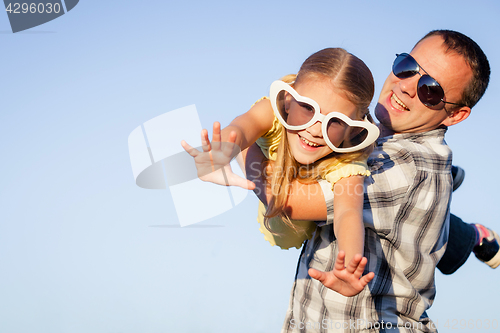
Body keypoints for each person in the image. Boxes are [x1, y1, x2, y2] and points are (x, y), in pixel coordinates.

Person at [242, 30, 496, 332]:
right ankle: (466, 229)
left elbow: (291, 201)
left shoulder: (406, 166)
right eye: (407, 67)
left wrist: (240, 143)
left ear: (455, 115)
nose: (406, 88)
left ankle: (462, 228)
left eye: (431, 90)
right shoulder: (374, 136)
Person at [182, 48, 379, 285]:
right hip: (273, 210)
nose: (315, 130)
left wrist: (350, 264)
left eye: (335, 121)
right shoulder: (272, 114)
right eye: (308, 108)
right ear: (288, 100)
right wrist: (221, 150)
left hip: (296, 223)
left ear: (354, 130)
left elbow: (348, 212)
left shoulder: (346, 161)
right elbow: (243, 127)